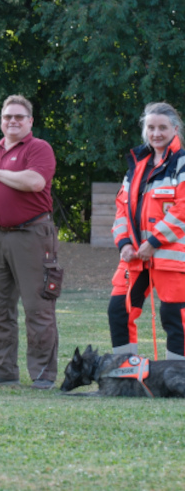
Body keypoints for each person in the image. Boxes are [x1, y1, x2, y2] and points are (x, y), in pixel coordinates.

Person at [0, 94, 59, 389]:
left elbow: (35, 182)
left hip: (32, 236)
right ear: (1, 121)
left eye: (19, 117)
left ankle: (43, 374)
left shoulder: (38, 148)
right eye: (7, 116)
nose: (12, 121)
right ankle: (2, 369)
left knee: (38, 307)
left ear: (30, 121)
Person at [108, 102, 185, 360]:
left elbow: (182, 210)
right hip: (134, 257)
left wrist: (154, 240)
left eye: (162, 128)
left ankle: (179, 379)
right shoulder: (137, 165)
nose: (156, 133)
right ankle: (124, 372)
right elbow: (121, 208)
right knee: (119, 309)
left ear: (175, 129)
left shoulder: (182, 163)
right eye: (151, 128)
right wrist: (124, 244)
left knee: (175, 317)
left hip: (171, 257)